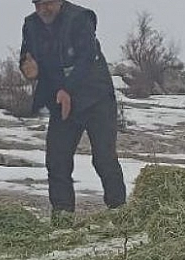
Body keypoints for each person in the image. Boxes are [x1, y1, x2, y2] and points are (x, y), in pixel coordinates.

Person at [20, 0, 126, 215]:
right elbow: (27, 56)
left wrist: (67, 89)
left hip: (96, 98)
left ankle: (119, 211)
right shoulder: (31, 25)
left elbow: (86, 58)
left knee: (104, 158)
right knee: (57, 159)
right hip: (61, 101)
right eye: (38, 4)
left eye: (48, 3)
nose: (43, 9)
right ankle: (63, 216)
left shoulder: (80, 18)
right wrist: (27, 67)